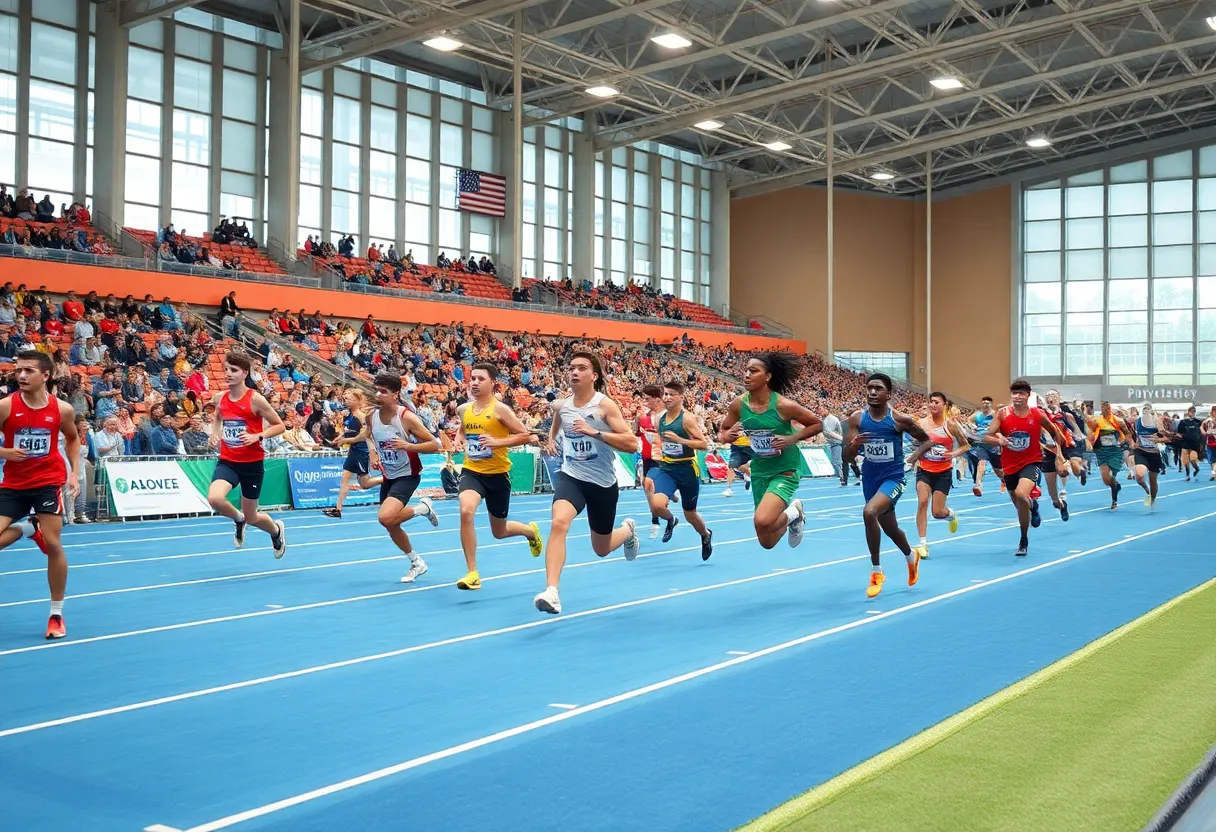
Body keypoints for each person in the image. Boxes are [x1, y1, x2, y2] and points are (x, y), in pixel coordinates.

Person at [534, 352, 642, 615]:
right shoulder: (563, 406)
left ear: (594, 376)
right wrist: (550, 441)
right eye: (571, 367)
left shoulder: (605, 406)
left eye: (582, 368)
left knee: (601, 549)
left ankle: (628, 530)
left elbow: (631, 443)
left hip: (602, 484)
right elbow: (557, 423)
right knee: (559, 523)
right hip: (571, 476)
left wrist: (594, 432)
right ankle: (552, 591)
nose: (574, 372)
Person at [0, 351, 80, 638]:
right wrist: (4, 452)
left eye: (28, 371)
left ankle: (56, 614)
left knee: (53, 544)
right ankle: (25, 528)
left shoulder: (62, 409)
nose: (21, 375)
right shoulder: (6, 406)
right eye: (18, 370)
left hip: (47, 482)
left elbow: (72, 439)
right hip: (13, 484)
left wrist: (73, 472)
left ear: (46, 375)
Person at [717, 352, 822, 551]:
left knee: (763, 519)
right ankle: (794, 514)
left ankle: (793, 511)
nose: (747, 375)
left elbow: (817, 424)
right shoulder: (738, 404)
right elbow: (722, 432)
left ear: (767, 377)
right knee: (766, 541)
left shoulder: (783, 405)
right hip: (759, 469)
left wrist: (790, 439)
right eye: (746, 370)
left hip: (785, 469)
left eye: (754, 371)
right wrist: (726, 435)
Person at [454, 362, 543, 591]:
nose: (474, 382)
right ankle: (472, 572)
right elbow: (464, 428)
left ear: (492, 383)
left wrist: (497, 442)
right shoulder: (463, 409)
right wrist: (458, 439)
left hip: (498, 475)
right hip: (472, 471)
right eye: (472, 378)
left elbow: (526, 436)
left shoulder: (501, 410)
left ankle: (529, 531)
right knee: (466, 511)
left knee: (499, 531)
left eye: (480, 379)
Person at [843, 373, 931, 598]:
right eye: (870, 388)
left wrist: (913, 458)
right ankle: (911, 556)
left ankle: (876, 571)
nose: (872, 392)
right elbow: (846, 458)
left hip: (894, 478)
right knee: (890, 528)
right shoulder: (857, 419)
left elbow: (927, 441)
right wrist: (854, 445)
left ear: (888, 394)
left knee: (869, 512)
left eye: (878, 389)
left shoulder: (900, 420)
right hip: (870, 478)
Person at [206, 351, 287, 558]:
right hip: (228, 461)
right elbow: (218, 416)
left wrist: (258, 436)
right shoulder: (220, 398)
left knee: (253, 517)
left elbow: (280, 426)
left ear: (245, 373)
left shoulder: (256, 399)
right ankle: (238, 518)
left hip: (251, 464)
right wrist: (215, 433)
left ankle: (276, 531)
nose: (228, 374)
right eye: (226, 369)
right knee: (215, 499)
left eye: (233, 370)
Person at [364, 373, 439, 583]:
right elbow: (369, 434)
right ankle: (417, 562)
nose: (378, 394)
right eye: (376, 390)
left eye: (383, 391)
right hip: (389, 475)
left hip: (408, 474)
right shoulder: (372, 416)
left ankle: (421, 509)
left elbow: (435, 445)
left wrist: (408, 446)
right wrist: (372, 452)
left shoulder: (406, 417)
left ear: (396, 394)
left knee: (385, 517)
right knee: (390, 524)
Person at [983, 379, 1067, 558]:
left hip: (1032, 461)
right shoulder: (1003, 414)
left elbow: (1055, 433)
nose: (1017, 397)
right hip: (1010, 464)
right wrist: (1000, 440)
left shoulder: (1037, 414)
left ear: (1028, 396)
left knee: (1022, 494)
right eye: (1014, 393)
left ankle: (1023, 540)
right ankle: (1033, 507)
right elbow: (987, 437)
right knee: (1019, 503)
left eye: (1021, 393)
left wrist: (1059, 455)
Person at [646, 380, 713, 560]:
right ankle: (670, 520)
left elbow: (703, 444)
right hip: (668, 468)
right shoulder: (659, 418)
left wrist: (680, 440)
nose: (666, 398)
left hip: (687, 470)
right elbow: (663, 441)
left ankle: (705, 535)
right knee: (657, 505)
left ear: (681, 397)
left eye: (671, 395)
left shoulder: (687, 419)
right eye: (665, 394)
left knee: (690, 514)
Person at [914, 391, 968, 557]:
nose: (933, 405)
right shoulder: (921, 423)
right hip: (924, 469)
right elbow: (916, 441)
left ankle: (951, 515)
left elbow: (966, 446)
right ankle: (923, 544)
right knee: (922, 501)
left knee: (937, 512)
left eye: (937, 402)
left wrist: (953, 454)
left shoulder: (950, 425)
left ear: (944, 405)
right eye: (931, 402)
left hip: (943, 472)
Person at [322, 388, 384, 519]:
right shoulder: (350, 414)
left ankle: (386, 478)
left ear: (358, 400)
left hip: (362, 450)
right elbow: (350, 429)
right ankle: (338, 509)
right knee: (344, 478)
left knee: (364, 484)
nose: (347, 401)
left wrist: (347, 440)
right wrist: (341, 436)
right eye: (346, 399)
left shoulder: (361, 416)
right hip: (353, 450)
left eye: (350, 399)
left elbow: (365, 435)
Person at [634, 385, 665, 538]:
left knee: (648, 484)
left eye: (647, 399)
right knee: (649, 490)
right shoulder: (643, 418)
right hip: (647, 458)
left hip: (662, 458)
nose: (645, 402)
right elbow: (637, 434)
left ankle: (655, 520)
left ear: (656, 399)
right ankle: (656, 518)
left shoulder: (667, 416)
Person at [1086, 403, 1129, 509]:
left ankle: (1114, 500)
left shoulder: (1118, 421)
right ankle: (1116, 486)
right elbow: (1089, 432)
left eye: (1107, 408)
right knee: (1106, 479)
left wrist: (1124, 443)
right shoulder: (1096, 421)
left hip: (1115, 451)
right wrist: (1090, 442)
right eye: (1103, 407)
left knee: (1112, 476)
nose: (1105, 409)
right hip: (1101, 451)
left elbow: (1127, 433)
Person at [1130, 403, 1170, 509]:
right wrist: (1133, 443)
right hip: (1141, 452)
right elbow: (1131, 435)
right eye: (1144, 409)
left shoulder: (1157, 422)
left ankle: (1152, 498)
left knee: (1153, 480)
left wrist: (1158, 440)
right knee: (1139, 476)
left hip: (1154, 454)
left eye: (1147, 409)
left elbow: (1168, 438)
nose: (1145, 411)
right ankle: (1147, 490)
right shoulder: (1137, 421)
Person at [965, 396, 1001, 496]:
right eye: (983, 403)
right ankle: (978, 485)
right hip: (980, 443)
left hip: (993, 444)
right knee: (981, 462)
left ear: (991, 404)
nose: (985, 405)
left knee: (998, 470)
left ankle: (1004, 480)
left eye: (987, 403)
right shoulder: (978, 415)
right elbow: (969, 420)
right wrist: (972, 426)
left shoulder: (995, 415)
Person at [1175, 405, 1204, 482]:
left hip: (1194, 445)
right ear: (1188, 412)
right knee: (1185, 462)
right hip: (1185, 445)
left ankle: (1196, 469)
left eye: (1194, 411)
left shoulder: (1197, 422)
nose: (1192, 413)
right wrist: (1180, 437)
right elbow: (1178, 432)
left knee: (1193, 459)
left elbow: (1201, 432)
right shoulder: (1183, 422)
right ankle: (1187, 475)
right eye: (1191, 411)